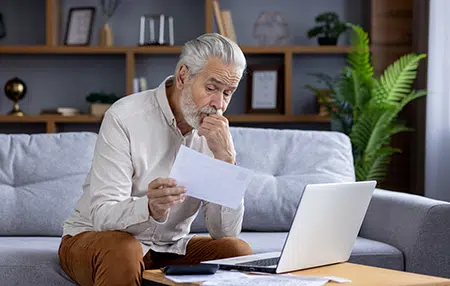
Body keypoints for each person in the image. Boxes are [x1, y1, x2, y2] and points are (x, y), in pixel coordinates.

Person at [58, 33, 253, 286]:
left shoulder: (216, 135)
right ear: (183, 76)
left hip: (168, 248)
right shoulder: (124, 117)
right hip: (97, 238)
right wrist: (149, 208)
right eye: (211, 88)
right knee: (124, 249)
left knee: (237, 252)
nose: (219, 105)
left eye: (228, 93)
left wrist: (227, 160)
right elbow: (102, 215)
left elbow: (224, 232)